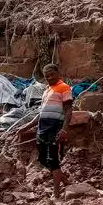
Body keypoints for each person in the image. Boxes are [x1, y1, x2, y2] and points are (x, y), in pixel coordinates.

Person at [33, 63, 74, 194]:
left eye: (52, 74)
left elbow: (68, 110)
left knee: (53, 160)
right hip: (42, 129)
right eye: (47, 76)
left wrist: (64, 129)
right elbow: (41, 113)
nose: (50, 77)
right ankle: (64, 180)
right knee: (42, 159)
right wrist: (25, 127)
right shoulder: (46, 91)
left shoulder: (64, 87)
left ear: (58, 73)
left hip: (54, 128)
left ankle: (56, 193)